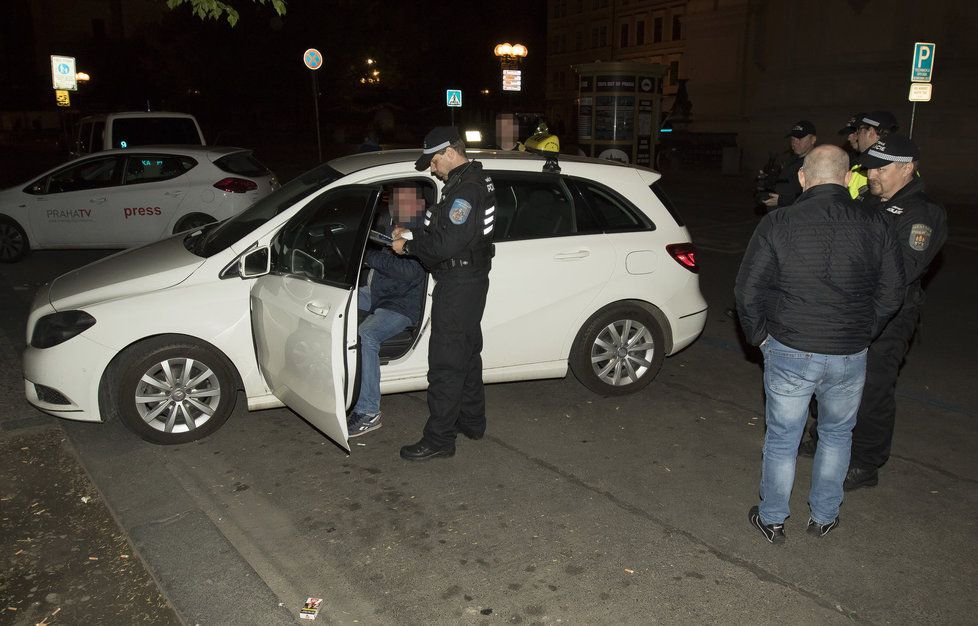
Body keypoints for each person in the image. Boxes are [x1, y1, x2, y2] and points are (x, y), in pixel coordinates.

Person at [735, 145, 904, 543]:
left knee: (782, 437)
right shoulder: (875, 223)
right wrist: (864, 329)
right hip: (849, 351)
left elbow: (747, 291)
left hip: (791, 347)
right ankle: (825, 516)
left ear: (802, 178)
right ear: (848, 179)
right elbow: (893, 291)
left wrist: (759, 338)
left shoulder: (778, 222)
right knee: (837, 434)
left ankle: (773, 518)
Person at [844, 135, 948, 491]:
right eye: (870, 166)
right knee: (835, 380)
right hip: (851, 307)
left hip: (889, 316)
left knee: (873, 388)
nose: (872, 174)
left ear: (907, 168)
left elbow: (903, 270)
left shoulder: (921, 214)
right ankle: (825, 438)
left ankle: (865, 462)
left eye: (881, 168)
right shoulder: (867, 202)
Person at [391, 127, 495, 461]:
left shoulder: (466, 189)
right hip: (469, 278)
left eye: (434, 161)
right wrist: (413, 228)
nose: (433, 169)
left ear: (449, 152)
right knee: (467, 354)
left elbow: (447, 243)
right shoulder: (469, 182)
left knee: (446, 364)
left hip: (460, 281)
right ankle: (472, 421)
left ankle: (439, 440)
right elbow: (447, 226)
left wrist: (407, 247)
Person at [347, 183, 428, 437]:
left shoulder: (420, 230)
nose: (399, 205)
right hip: (379, 294)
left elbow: (410, 271)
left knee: (367, 336)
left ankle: (369, 411)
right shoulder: (393, 221)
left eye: (407, 200)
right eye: (396, 200)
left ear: (420, 204)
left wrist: (370, 256)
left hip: (401, 304)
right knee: (334, 300)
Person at [761, 120, 817, 211]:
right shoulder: (791, 160)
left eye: (799, 139)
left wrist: (782, 200)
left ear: (813, 140)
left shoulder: (817, 162)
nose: (794, 143)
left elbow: (814, 196)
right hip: (780, 215)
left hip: (797, 216)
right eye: (792, 139)